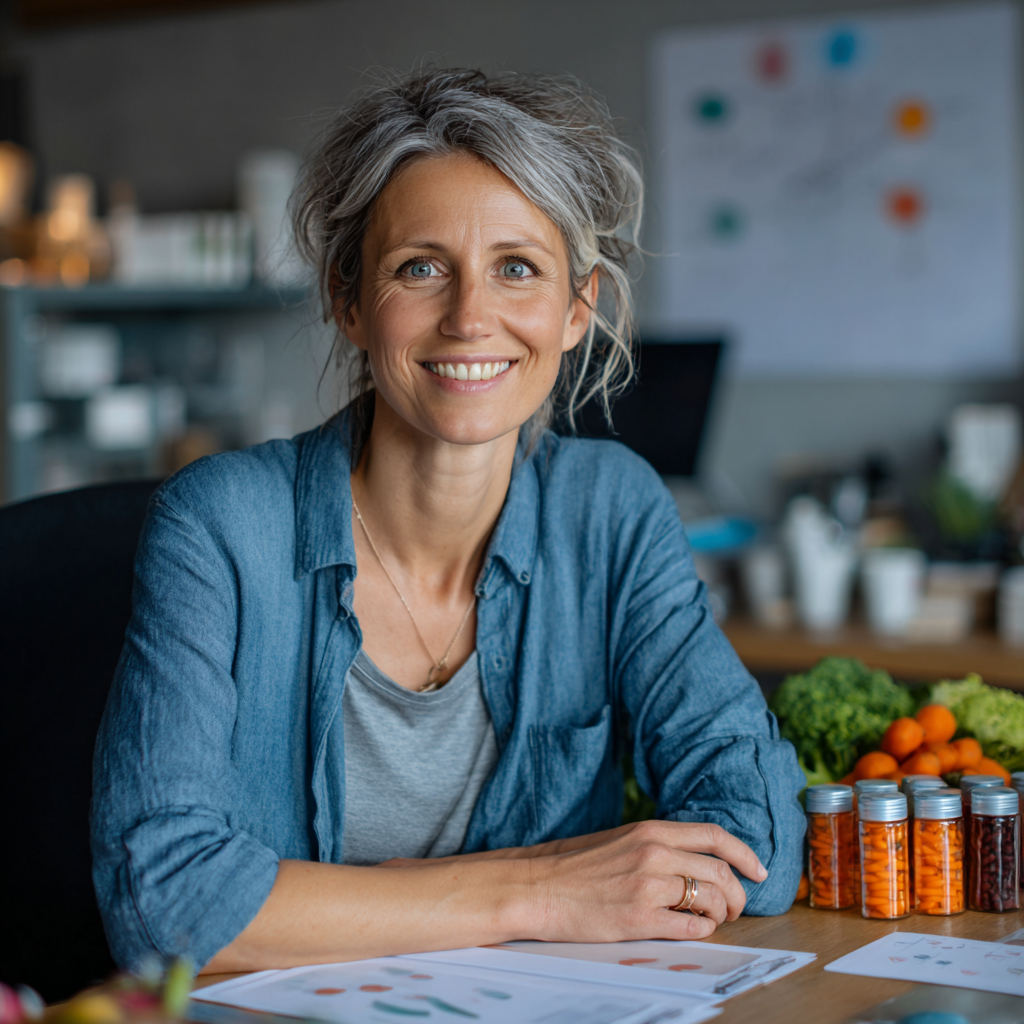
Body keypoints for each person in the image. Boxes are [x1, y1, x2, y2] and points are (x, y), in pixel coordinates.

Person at [91, 67, 805, 975]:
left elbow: (759, 842)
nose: (472, 318)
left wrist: (344, 904)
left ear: (577, 307)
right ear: (349, 302)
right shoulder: (222, 525)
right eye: (421, 268)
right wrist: (542, 887)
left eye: (518, 269)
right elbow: (166, 915)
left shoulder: (612, 510)